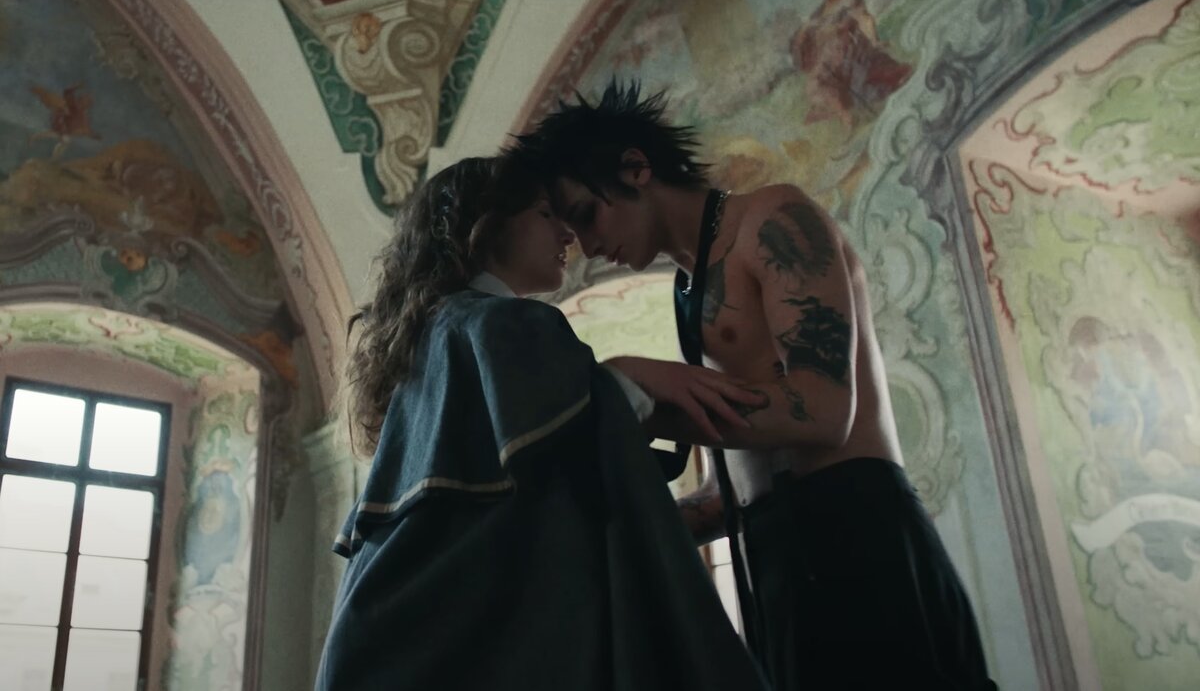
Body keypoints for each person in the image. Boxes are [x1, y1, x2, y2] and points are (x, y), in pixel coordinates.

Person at [506, 82, 999, 690]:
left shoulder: (772, 219)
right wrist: (590, 534)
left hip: (859, 538)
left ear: (636, 169)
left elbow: (825, 412)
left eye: (586, 214)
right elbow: (730, 493)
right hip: (773, 564)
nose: (587, 246)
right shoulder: (688, 290)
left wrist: (625, 397)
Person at [314, 156, 768, 691]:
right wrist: (627, 378)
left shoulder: (441, 331)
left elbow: (521, 496)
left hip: (394, 645)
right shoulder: (499, 322)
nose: (568, 233)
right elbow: (558, 440)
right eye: (546, 213)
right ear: (486, 226)